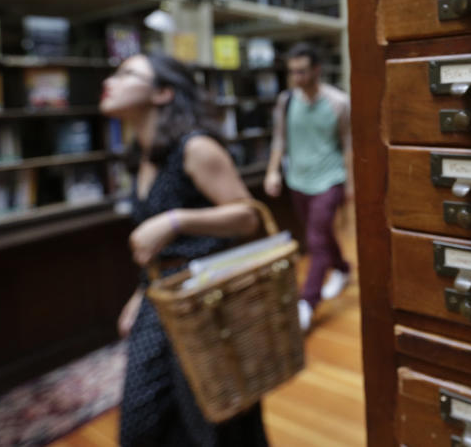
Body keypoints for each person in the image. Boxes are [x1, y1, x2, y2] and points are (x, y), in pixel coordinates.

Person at [100, 53, 268, 447]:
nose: (111, 79)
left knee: (211, 416)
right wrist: (139, 294)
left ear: (162, 93)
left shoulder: (196, 148)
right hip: (161, 294)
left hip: (204, 299)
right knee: (144, 419)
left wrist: (177, 220)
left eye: (127, 74)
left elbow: (248, 216)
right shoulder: (138, 157)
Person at [264, 43, 352, 327]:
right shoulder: (286, 100)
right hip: (298, 180)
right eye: (292, 72)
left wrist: (350, 184)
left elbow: (349, 145)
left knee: (315, 240)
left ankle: (307, 303)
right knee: (321, 234)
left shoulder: (338, 102)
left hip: (330, 179)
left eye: (302, 71)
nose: (297, 77)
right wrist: (272, 172)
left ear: (317, 70)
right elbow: (279, 138)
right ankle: (342, 267)